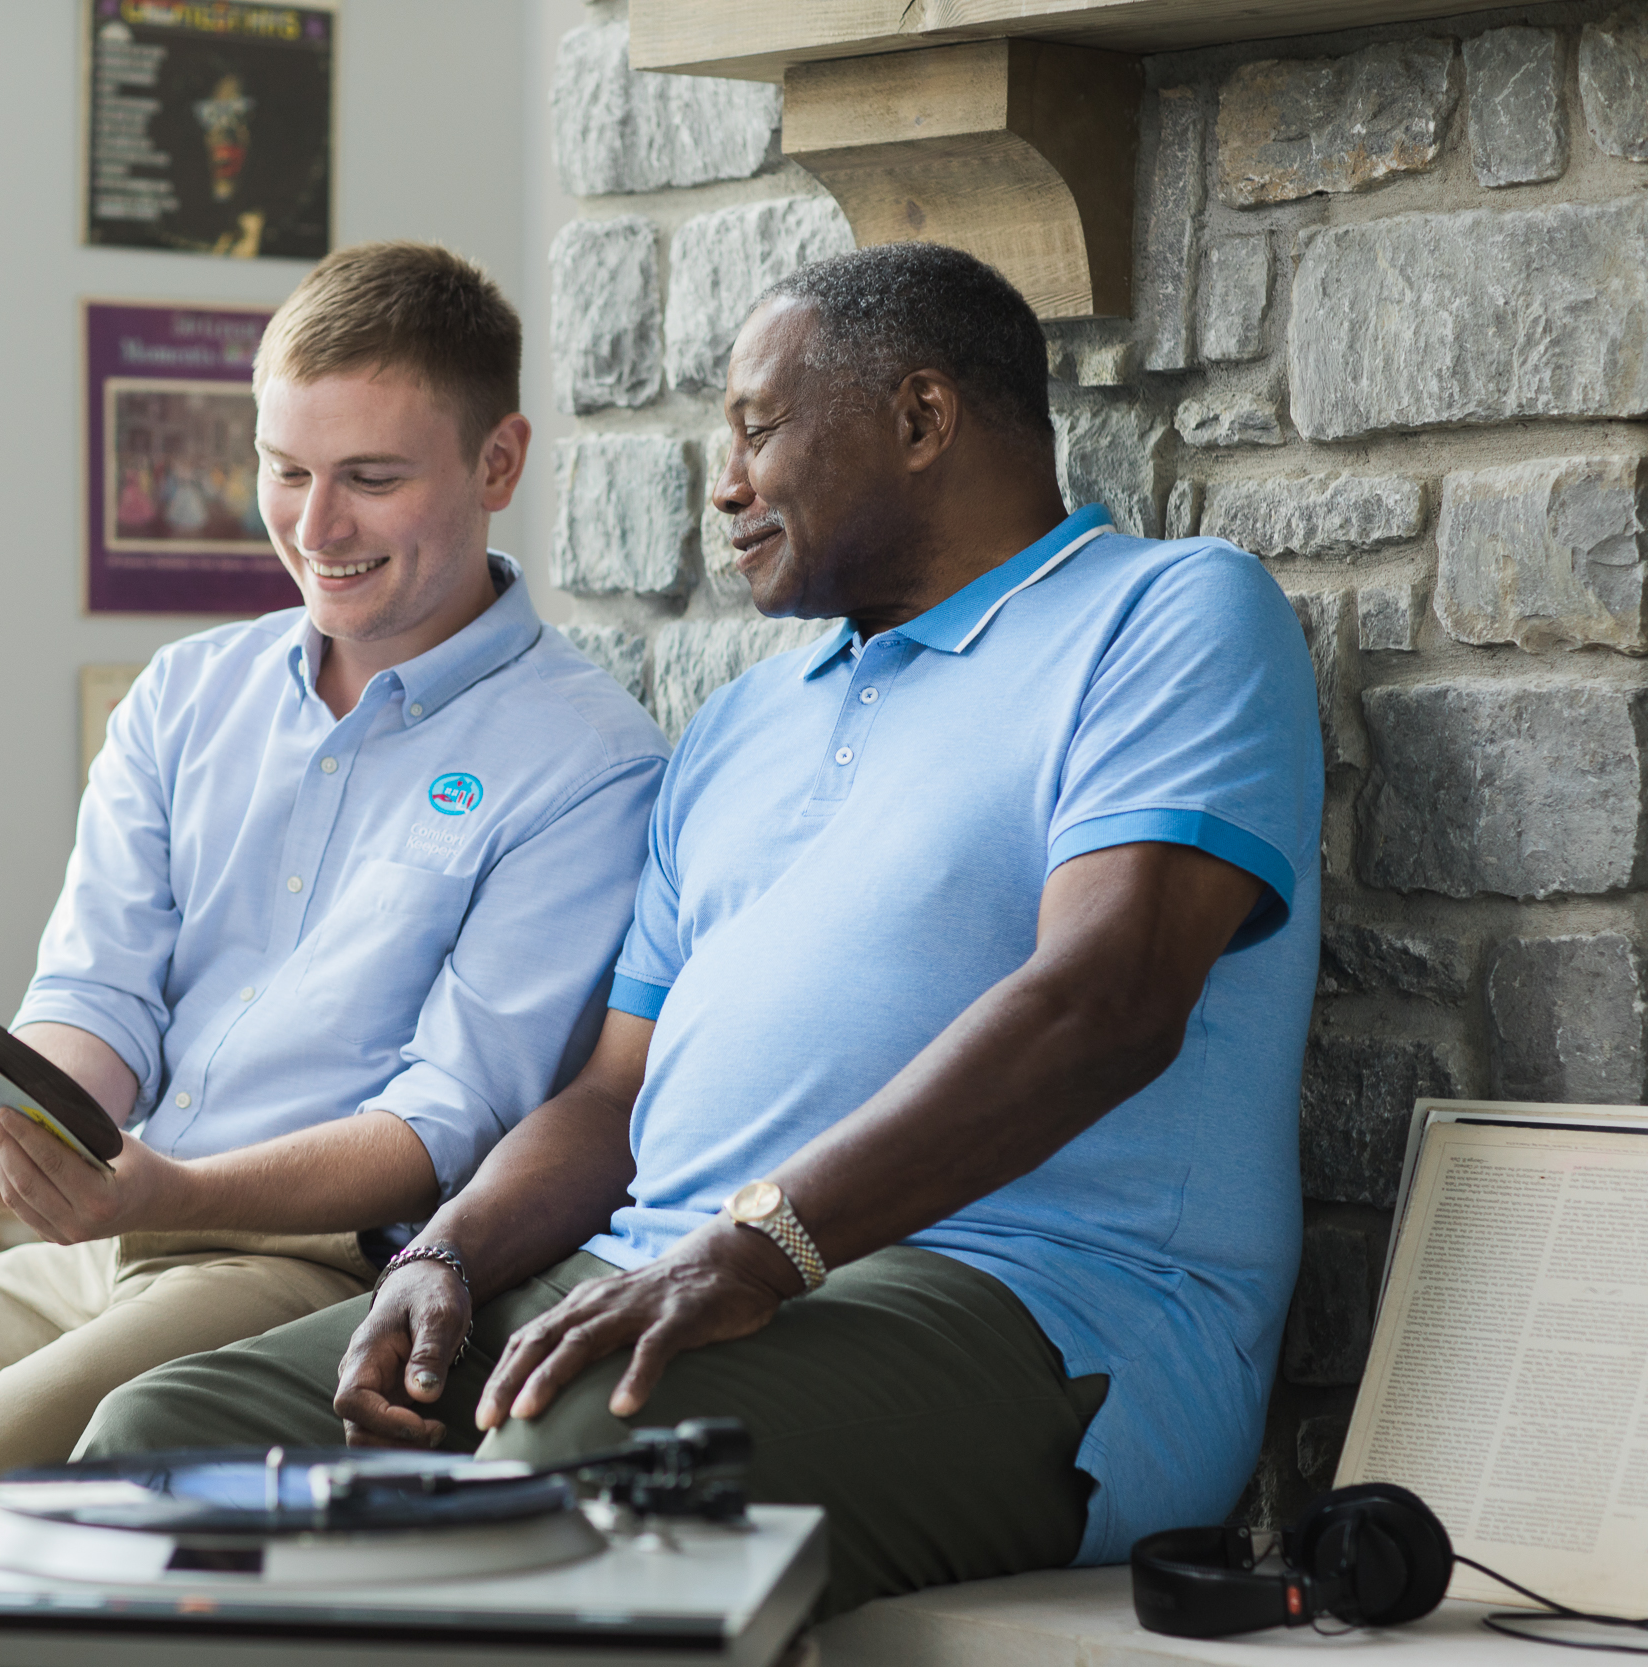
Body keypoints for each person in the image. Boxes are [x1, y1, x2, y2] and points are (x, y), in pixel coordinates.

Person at [77, 242, 1325, 1618]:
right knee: (161, 1446)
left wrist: (758, 1247)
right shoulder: (742, 722)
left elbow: (1107, 999)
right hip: (656, 1266)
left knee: (577, 1462)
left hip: (1043, 1306)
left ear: (921, 420)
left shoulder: (1171, 616)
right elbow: (617, 1091)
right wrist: (447, 1252)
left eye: (756, 430)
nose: (723, 485)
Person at [0, 240, 671, 1665]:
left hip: (316, 1261)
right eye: (284, 469)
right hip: (118, 1226)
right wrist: (20, 1111)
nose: (317, 524)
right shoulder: (190, 695)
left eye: (372, 477)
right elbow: (97, 998)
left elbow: (453, 1120)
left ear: (499, 461)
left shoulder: (587, 760)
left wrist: (167, 1186)